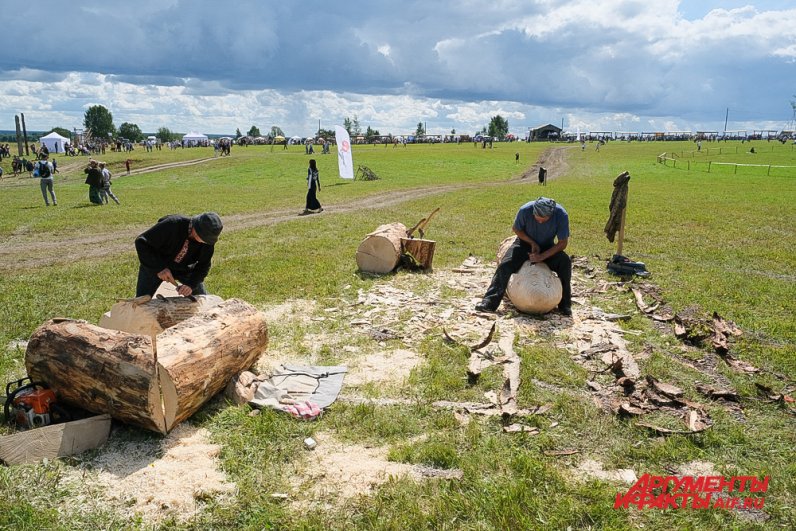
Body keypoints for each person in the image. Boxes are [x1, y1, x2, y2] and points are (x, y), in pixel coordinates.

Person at [475, 197, 572, 316]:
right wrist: (532, 243)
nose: (540, 222)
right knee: (505, 265)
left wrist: (542, 256)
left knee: (565, 263)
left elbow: (563, 243)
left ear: (551, 214)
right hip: (524, 243)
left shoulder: (561, 215)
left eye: (544, 219)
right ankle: (489, 302)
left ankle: (565, 305)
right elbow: (516, 229)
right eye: (538, 219)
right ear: (533, 212)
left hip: (547, 246)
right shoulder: (525, 210)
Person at [134, 212, 223, 297]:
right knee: (141, 300)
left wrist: (191, 285)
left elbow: (203, 266)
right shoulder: (172, 224)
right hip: (156, 262)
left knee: (202, 299)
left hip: (183, 268)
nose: (205, 242)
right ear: (196, 229)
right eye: (204, 238)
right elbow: (142, 242)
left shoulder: (207, 241)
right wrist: (159, 268)